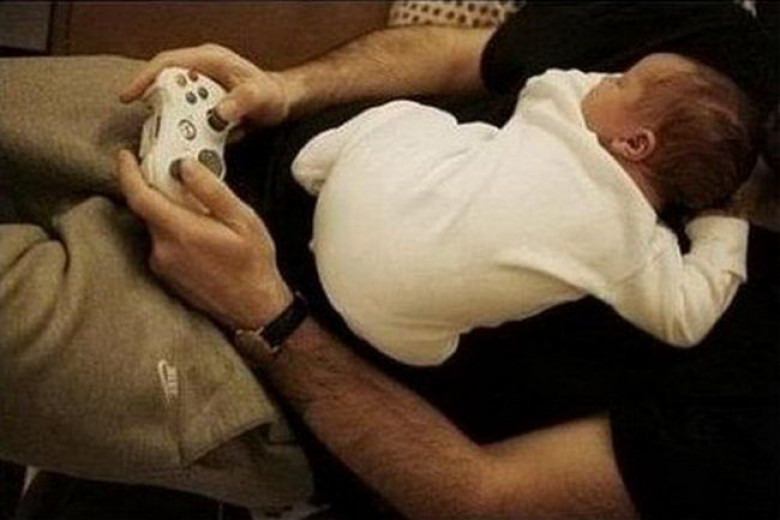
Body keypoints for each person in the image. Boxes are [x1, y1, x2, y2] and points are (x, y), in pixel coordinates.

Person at [111, 2, 778, 519]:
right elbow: (470, 57)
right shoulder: (716, 44)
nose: (606, 80)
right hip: (242, 135)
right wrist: (286, 87)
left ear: (636, 143)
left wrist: (269, 317)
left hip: (261, 369)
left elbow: (482, 498)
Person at [287, 52, 758, 366]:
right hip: (393, 329)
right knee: (441, 337)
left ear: (635, 143)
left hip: (341, 211)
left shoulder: (556, 111)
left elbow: (555, 80)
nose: (603, 79)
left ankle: (316, 164)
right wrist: (724, 225)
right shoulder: (631, 247)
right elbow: (685, 318)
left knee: (419, 119)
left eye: (619, 81)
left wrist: (593, 92)